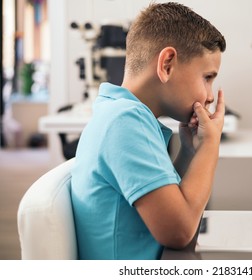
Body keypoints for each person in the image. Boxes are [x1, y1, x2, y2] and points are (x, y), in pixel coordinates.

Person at [70, 2, 226, 260]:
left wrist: (189, 151)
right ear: (167, 64)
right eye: (207, 78)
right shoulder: (125, 122)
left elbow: (171, 202)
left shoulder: (121, 114)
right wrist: (212, 145)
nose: (209, 96)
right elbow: (178, 231)